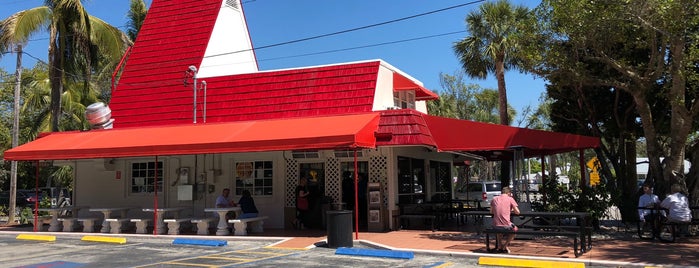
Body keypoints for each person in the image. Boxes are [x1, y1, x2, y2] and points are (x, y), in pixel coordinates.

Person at [490, 187, 520, 254]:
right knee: (515, 230)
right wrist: (510, 210)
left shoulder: (494, 199)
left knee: (499, 231)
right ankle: (505, 246)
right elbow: (518, 212)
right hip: (506, 225)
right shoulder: (510, 199)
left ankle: (499, 246)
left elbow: (491, 212)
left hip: (495, 225)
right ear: (508, 193)